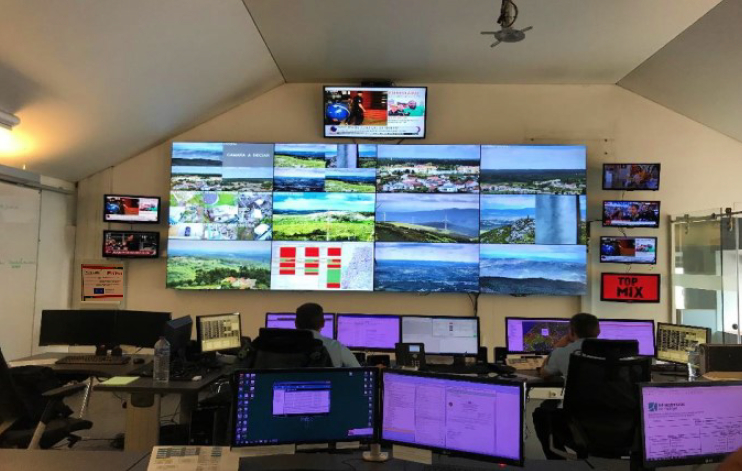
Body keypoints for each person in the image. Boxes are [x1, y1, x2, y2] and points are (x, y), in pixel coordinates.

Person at [533, 313, 600, 459]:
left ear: (571, 332)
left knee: (541, 414)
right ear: (598, 331)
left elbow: (544, 373)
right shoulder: (617, 352)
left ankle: (558, 462)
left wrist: (557, 346)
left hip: (577, 423)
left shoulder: (562, 352)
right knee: (549, 405)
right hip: (617, 424)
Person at [295, 303, 360, 367]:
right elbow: (358, 371)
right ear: (323, 323)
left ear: (296, 323)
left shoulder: (288, 346)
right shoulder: (336, 347)